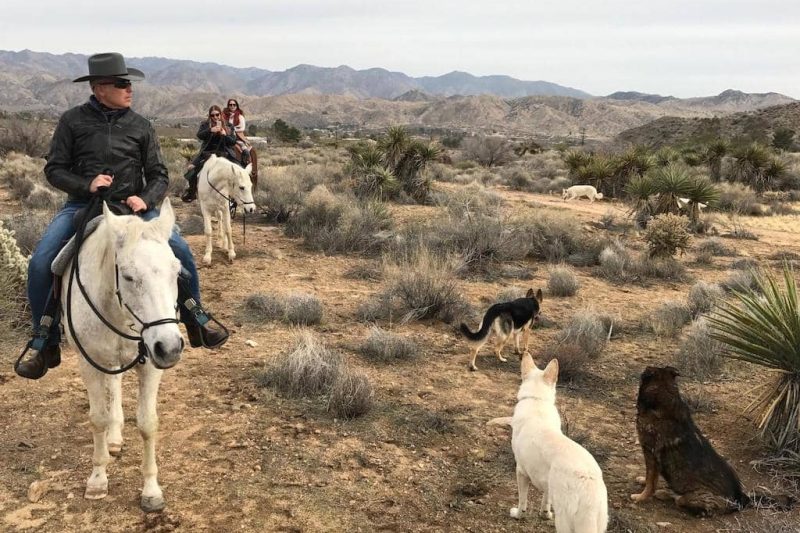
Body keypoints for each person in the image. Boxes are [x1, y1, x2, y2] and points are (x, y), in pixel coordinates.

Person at [15, 52, 229, 380]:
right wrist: (87, 184)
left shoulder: (141, 125)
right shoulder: (72, 121)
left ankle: (195, 318)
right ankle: (44, 338)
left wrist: (145, 199)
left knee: (181, 252)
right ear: (100, 88)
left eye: (130, 83)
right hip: (82, 206)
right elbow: (54, 169)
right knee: (42, 262)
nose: (130, 89)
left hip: (135, 210)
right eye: (122, 83)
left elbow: (158, 173)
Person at [180, 105, 237, 203]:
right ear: (210, 116)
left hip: (224, 152)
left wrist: (225, 134)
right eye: (213, 115)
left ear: (220, 114)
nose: (215, 117)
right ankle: (191, 192)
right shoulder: (205, 124)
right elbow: (199, 135)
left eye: (217, 115)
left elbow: (232, 141)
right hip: (207, 153)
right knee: (191, 170)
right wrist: (210, 130)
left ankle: (237, 195)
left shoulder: (228, 125)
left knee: (238, 170)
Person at [222, 98, 251, 166]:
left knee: (245, 150)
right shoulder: (224, 116)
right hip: (226, 136)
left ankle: (245, 163)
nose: (232, 106)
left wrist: (232, 129)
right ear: (228, 106)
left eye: (234, 105)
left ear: (236, 106)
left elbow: (242, 128)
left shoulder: (240, 116)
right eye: (230, 105)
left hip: (237, 137)